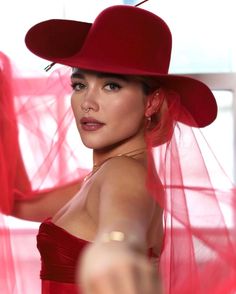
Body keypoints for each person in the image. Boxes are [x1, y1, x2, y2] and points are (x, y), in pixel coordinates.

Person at [4, 3, 236, 294]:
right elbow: (16, 204)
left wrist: (115, 246)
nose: (88, 102)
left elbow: (124, 227)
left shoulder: (124, 173)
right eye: (79, 85)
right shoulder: (97, 178)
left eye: (111, 86)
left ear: (151, 102)